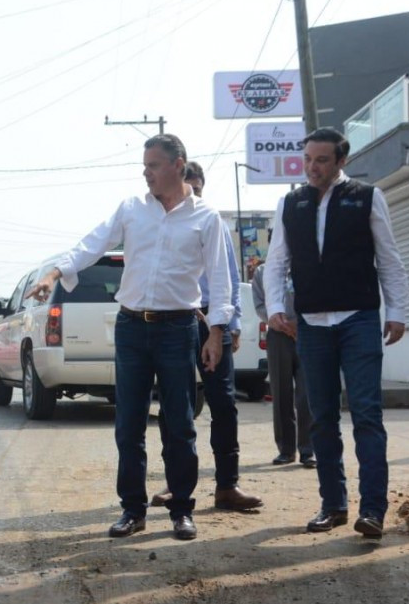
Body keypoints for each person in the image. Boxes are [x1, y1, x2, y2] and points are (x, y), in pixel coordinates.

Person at [25, 134, 232, 541]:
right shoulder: (132, 210)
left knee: (180, 424)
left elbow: (221, 280)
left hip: (178, 328)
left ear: (178, 165)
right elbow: (92, 243)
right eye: (144, 165)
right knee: (129, 424)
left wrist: (217, 332)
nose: (146, 173)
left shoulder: (207, 218)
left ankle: (181, 511)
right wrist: (53, 273)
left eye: (153, 165)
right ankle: (133, 510)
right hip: (132, 326)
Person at [264, 127, 408, 540]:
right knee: (322, 419)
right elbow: (276, 263)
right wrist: (275, 308)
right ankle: (333, 505)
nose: (312, 167)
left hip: (359, 320)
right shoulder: (290, 203)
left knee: (366, 414)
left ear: (341, 161)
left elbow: (389, 258)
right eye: (307, 159)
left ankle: (373, 510)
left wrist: (396, 311)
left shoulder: (367, 197)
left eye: (321, 160)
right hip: (311, 325)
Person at [151, 161, 263, 513]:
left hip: (213, 322)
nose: (193, 194)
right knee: (175, 406)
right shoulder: (163, 226)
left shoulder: (212, 221)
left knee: (224, 404)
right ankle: (176, 483)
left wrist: (231, 325)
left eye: (198, 188)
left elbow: (227, 276)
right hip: (177, 319)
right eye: (189, 187)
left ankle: (227, 485)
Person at [252, 257, 315, 468]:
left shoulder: (306, 264)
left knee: (307, 394)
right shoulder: (262, 272)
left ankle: (308, 450)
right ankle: (286, 450)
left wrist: (299, 322)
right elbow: (260, 305)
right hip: (277, 335)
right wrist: (281, 323)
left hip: (307, 332)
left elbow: (316, 298)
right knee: (280, 393)